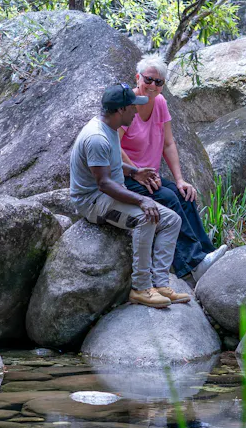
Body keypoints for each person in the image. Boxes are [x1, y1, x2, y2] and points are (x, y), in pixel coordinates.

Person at [70, 83, 192, 309]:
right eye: (132, 107)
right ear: (120, 110)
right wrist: (141, 199)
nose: (136, 111)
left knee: (172, 219)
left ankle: (161, 284)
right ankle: (141, 288)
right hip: (93, 202)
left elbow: (112, 165)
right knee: (145, 217)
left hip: (109, 194)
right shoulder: (97, 137)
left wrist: (134, 172)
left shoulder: (110, 128)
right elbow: (104, 183)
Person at [119, 55, 227, 281]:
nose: (153, 86)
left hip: (149, 176)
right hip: (125, 176)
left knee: (183, 194)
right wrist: (136, 173)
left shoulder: (160, 103)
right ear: (138, 78)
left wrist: (180, 179)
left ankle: (206, 254)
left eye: (159, 82)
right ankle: (192, 264)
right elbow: (113, 146)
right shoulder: (126, 105)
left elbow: (168, 143)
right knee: (167, 198)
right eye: (149, 80)